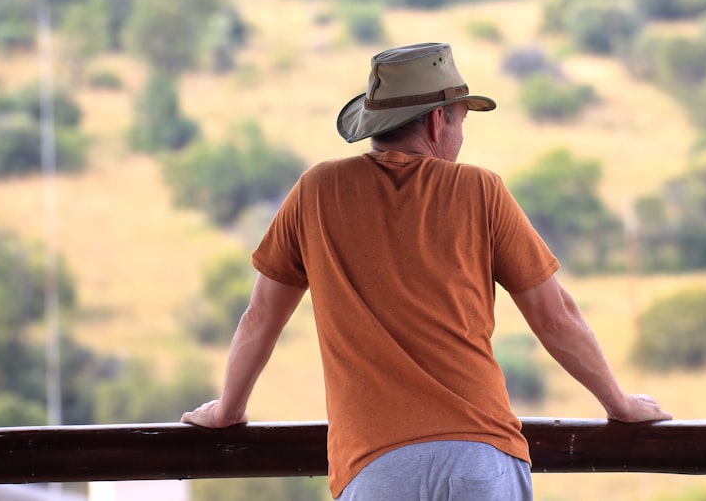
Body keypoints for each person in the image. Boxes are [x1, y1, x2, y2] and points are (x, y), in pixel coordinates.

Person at [181, 42, 671, 500]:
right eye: (460, 121)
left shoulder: (317, 191)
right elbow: (555, 317)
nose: (459, 135)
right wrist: (618, 404)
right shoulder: (480, 190)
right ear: (438, 122)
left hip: (373, 467)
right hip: (481, 456)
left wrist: (229, 410)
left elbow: (260, 318)